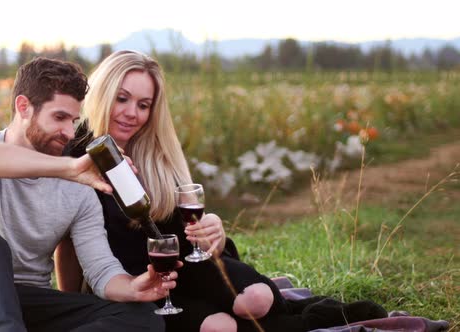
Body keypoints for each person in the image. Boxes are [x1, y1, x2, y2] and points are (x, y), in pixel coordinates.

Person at [61, 50, 390, 332]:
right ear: (103, 93)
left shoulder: (153, 150)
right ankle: (310, 319)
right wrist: (72, 303)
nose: (133, 114)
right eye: (122, 98)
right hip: (138, 283)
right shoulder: (76, 159)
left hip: (187, 265)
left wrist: (214, 229)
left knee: (257, 299)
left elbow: (185, 227)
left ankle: (299, 313)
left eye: (144, 105)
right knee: (220, 326)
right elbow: (67, 243)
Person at [0, 56, 179, 332]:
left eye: (74, 120)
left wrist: (133, 287)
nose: (70, 133)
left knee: (146, 319)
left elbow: (101, 270)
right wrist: (68, 167)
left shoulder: (80, 188)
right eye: (59, 117)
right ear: (23, 107)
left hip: (28, 307)